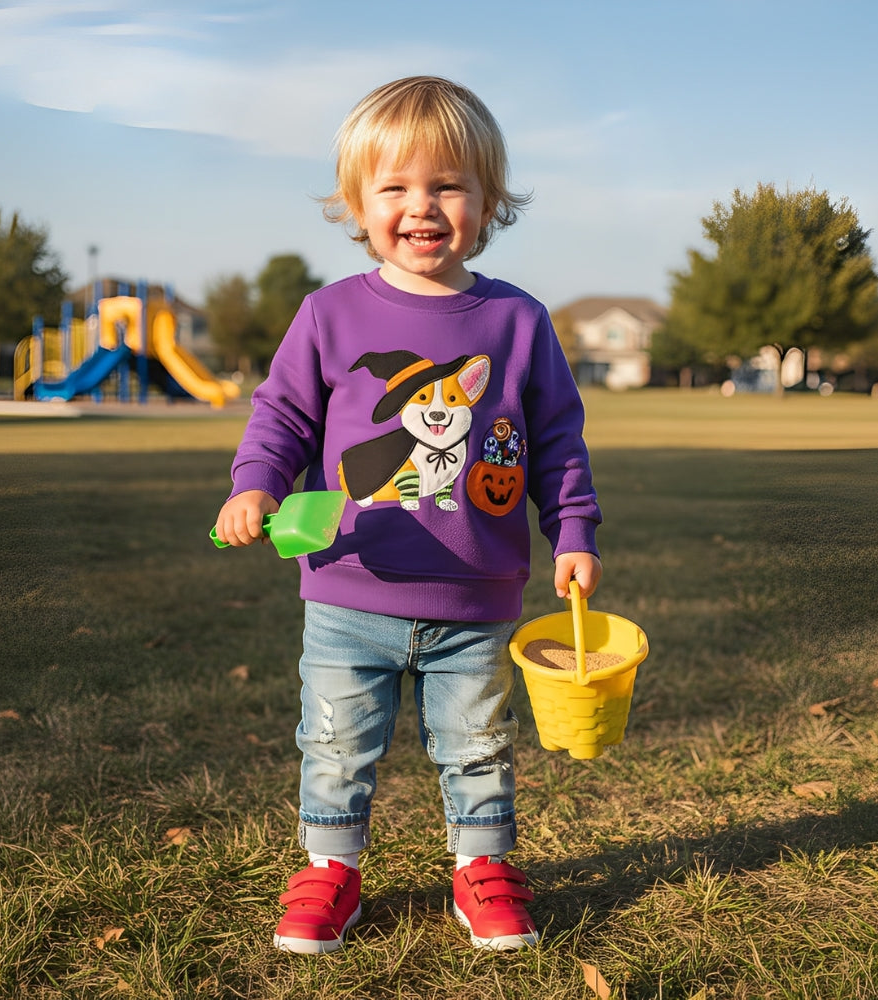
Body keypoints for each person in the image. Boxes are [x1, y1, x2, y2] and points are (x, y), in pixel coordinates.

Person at [213, 75, 602, 954]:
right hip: (352, 587)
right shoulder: (330, 314)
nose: (421, 207)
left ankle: (483, 869)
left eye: (448, 186)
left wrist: (573, 531)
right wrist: (254, 484)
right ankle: (330, 868)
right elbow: (280, 417)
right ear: (356, 202)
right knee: (338, 744)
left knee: (477, 745)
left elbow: (557, 439)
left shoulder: (516, 320)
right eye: (395, 187)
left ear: (488, 201)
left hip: (477, 597)